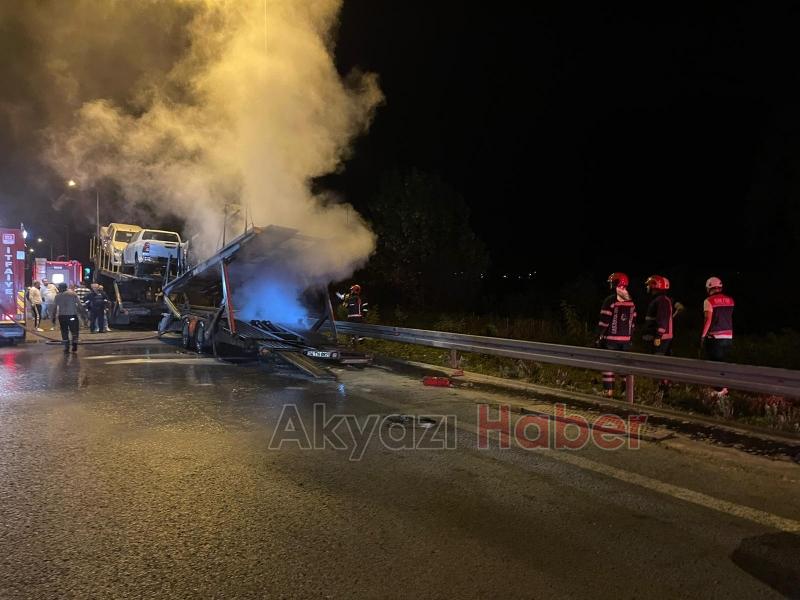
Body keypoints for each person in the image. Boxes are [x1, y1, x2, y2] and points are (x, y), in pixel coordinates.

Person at [596, 272, 636, 397]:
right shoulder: (630, 301)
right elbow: (633, 321)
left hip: (611, 340)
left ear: (617, 283)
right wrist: (630, 337)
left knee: (608, 365)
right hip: (626, 340)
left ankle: (608, 391)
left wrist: (598, 336)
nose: (611, 285)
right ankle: (626, 392)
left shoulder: (610, 300)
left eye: (612, 282)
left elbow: (604, 320)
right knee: (624, 367)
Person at [702, 276, 735, 395]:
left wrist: (703, 335)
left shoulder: (708, 301)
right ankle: (724, 388)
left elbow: (708, 320)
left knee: (714, 365)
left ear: (709, 287)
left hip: (715, 338)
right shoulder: (730, 300)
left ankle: (718, 391)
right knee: (723, 364)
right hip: (729, 337)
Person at [54, 282, 81, 353]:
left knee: (64, 331)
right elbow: (79, 305)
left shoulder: (57, 296)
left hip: (62, 316)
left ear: (60, 288)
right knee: (74, 331)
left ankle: (66, 347)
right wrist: (84, 314)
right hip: (72, 316)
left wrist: (53, 317)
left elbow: (54, 307)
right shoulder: (73, 294)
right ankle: (74, 345)